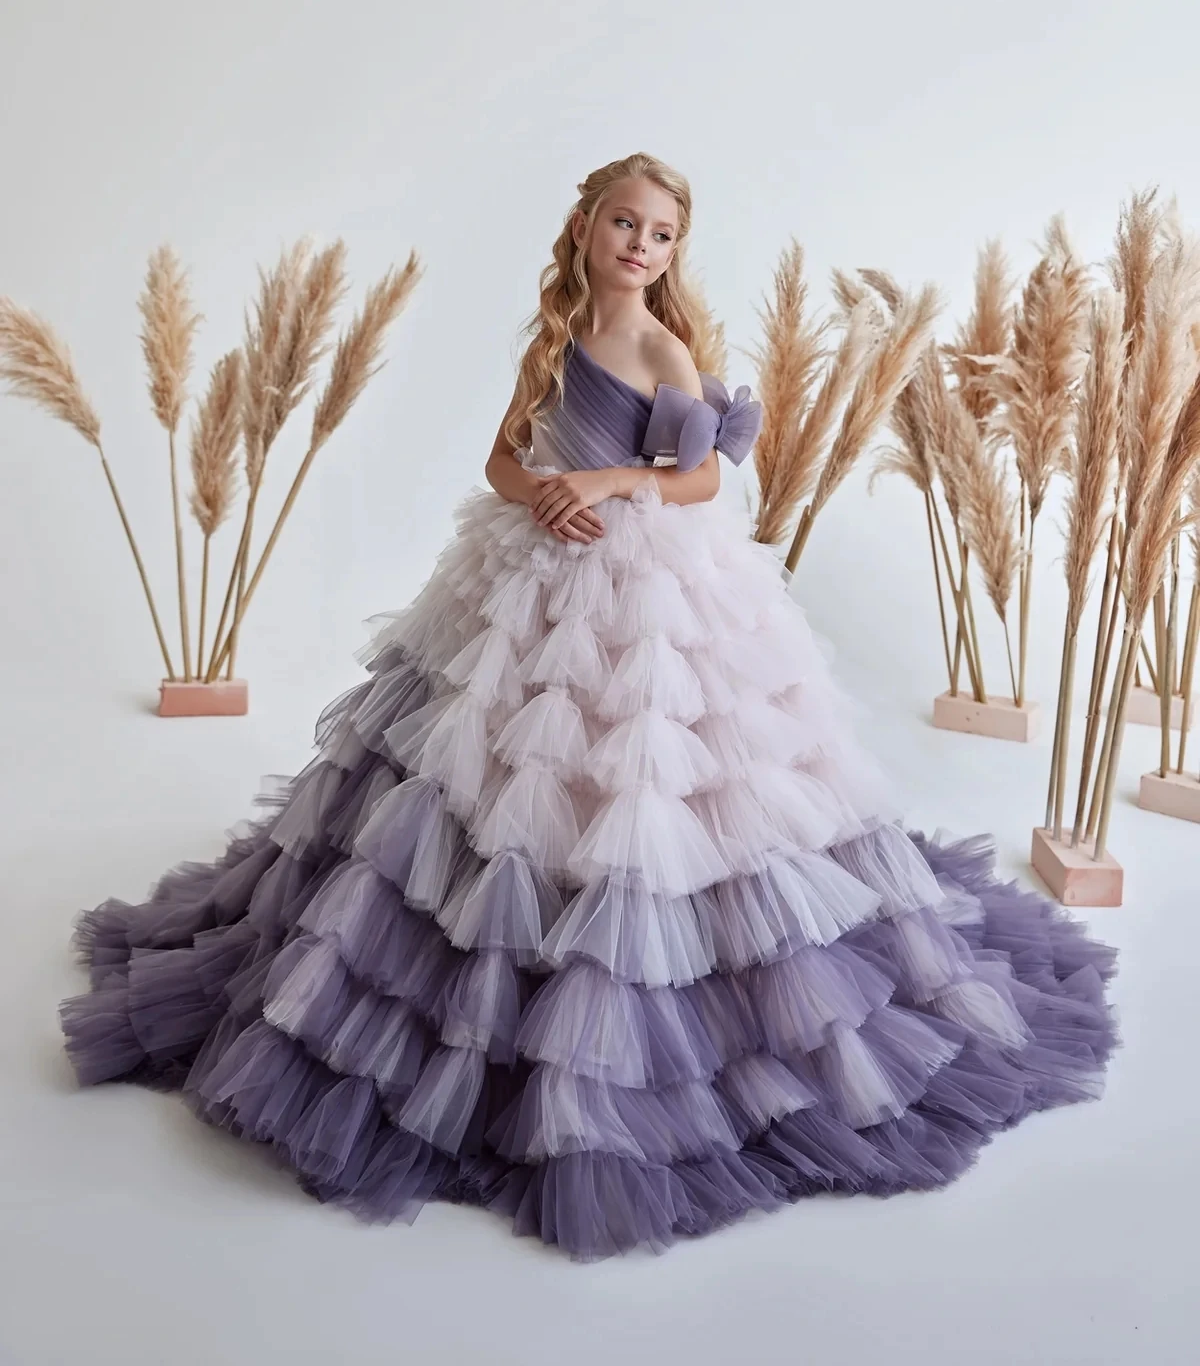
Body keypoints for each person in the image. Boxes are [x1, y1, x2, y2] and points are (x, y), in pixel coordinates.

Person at [59, 151, 1118, 1261]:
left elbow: (704, 480)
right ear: (586, 227)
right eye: (625, 224)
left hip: (641, 576)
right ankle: (482, 935)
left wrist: (610, 483)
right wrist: (546, 491)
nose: (640, 248)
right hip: (533, 565)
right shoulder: (555, 337)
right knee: (484, 757)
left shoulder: (664, 345)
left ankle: (611, 969)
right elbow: (504, 460)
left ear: (674, 254)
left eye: (661, 235)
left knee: (638, 769)